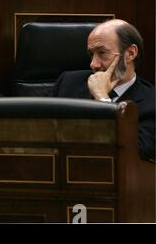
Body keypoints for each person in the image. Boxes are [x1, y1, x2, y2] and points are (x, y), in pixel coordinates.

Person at [53, 19, 155, 162]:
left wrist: (102, 98)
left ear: (130, 53)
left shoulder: (152, 102)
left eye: (102, 52)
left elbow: (133, 152)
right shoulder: (68, 83)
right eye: (91, 54)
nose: (93, 64)